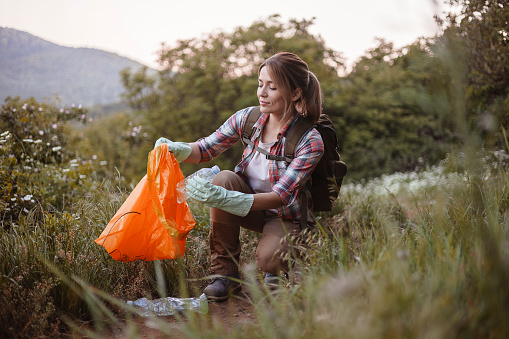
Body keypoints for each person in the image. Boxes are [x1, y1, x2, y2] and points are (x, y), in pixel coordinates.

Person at [154, 52, 324, 302]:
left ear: (296, 93)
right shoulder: (248, 118)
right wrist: (176, 149)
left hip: (285, 215)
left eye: (272, 87)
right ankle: (225, 277)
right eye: (260, 83)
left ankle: (275, 272)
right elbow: (206, 148)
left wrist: (228, 200)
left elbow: (281, 197)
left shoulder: (310, 140)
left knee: (269, 259)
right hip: (250, 206)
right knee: (223, 179)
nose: (262, 93)